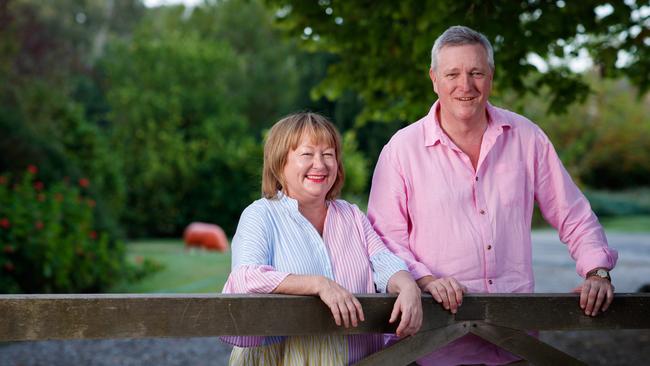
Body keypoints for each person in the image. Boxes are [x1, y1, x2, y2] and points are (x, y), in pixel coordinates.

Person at [367, 25, 618, 365]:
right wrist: (425, 280)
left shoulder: (527, 137)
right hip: (430, 343)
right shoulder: (401, 150)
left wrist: (597, 271)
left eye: (476, 73)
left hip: (513, 340)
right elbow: (384, 239)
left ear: (491, 76)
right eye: (452, 73)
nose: (465, 86)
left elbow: (572, 213)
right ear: (434, 78)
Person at [221, 112, 423, 365]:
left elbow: (383, 262)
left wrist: (407, 285)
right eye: (307, 154)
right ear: (279, 162)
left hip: (359, 359)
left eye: (328, 155)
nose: (320, 164)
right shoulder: (260, 215)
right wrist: (318, 285)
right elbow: (245, 277)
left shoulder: (352, 215)